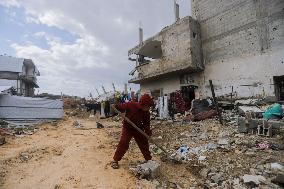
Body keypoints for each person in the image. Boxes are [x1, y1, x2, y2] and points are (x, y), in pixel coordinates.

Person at [111, 94, 154, 169]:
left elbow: (147, 124)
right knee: (123, 142)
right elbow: (121, 107)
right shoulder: (131, 105)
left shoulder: (146, 113)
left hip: (138, 128)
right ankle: (115, 160)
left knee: (144, 142)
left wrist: (148, 133)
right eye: (148, 106)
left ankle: (148, 159)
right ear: (143, 104)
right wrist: (116, 105)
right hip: (128, 127)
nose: (149, 108)